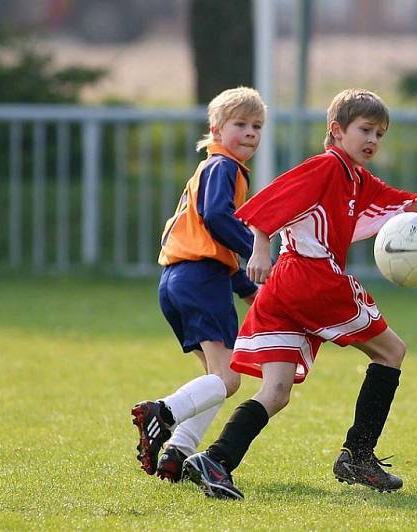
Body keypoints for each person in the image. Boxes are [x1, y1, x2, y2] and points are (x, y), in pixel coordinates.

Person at [181, 88, 417, 499]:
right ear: (336, 130)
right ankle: (359, 456)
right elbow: (269, 202)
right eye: (365, 130)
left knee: (275, 393)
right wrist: (259, 246)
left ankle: (216, 460)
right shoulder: (326, 167)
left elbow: (409, 205)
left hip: (285, 289)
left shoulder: (357, 179)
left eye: (380, 134)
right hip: (312, 279)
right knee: (392, 352)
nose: (373, 141)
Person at [131, 86, 266, 482]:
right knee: (228, 378)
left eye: (256, 126)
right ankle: (162, 412)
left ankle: (178, 453)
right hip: (201, 280)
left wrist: (245, 287)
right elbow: (215, 219)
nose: (250, 133)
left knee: (216, 378)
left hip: (177, 280)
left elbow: (207, 236)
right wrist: (256, 251)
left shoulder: (212, 169)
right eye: (240, 124)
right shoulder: (223, 167)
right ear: (216, 129)